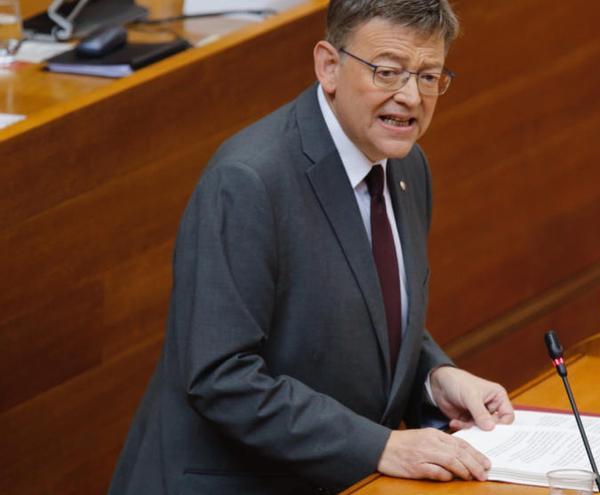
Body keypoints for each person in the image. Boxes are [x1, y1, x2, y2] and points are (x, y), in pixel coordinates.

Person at [108, 1, 515, 493]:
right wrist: (379, 446)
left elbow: (362, 308)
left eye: (429, 76)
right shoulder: (249, 182)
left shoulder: (408, 166)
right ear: (328, 66)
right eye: (388, 72)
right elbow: (222, 376)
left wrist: (435, 378)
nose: (410, 96)